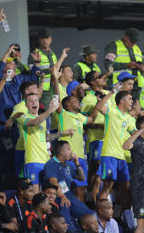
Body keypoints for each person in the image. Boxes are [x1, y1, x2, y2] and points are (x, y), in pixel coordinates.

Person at [0, 45, 42, 180]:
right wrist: (7, 52)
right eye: (10, 63)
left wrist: (36, 63)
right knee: (1, 156)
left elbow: (32, 76)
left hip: (15, 125)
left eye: (14, 64)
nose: (13, 66)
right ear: (4, 69)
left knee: (13, 154)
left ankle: (14, 183)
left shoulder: (18, 80)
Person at [53, 70, 99, 202]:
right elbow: (56, 100)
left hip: (80, 159)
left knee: (81, 189)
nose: (79, 102)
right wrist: (55, 80)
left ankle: (79, 218)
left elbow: (92, 118)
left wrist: (99, 102)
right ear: (67, 104)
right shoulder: (63, 114)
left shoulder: (79, 117)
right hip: (66, 159)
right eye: (75, 100)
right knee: (65, 188)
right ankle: (66, 213)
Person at [20, 93, 69, 193]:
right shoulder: (24, 117)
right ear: (26, 105)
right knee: (36, 194)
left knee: (53, 190)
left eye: (36, 100)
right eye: (30, 101)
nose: (34, 102)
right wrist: (50, 110)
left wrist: (61, 133)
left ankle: (64, 204)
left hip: (46, 161)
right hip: (33, 161)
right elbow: (33, 122)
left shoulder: (43, 120)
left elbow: (46, 137)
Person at [96, 89, 135, 210]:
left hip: (121, 156)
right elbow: (99, 106)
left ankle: (116, 214)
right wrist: (111, 92)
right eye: (129, 99)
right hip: (109, 154)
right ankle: (101, 212)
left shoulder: (128, 118)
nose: (132, 102)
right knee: (108, 184)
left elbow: (134, 133)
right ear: (121, 101)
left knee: (125, 185)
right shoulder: (111, 111)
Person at [43, 141, 94, 232]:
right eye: (69, 149)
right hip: (59, 199)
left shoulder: (67, 164)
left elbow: (81, 178)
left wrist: (77, 164)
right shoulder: (51, 164)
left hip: (70, 197)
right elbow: (53, 182)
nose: (71, 152)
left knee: (90, 215)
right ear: (61, 152)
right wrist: (62, 196)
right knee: (67, 226)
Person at [104, 28, 144, 110]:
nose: (134, 43)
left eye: (135, 41)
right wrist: (126, 65)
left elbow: (143, 66)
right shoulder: (114, 46)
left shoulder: (137, 48)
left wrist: (142, 68)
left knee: (133, 113)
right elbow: (108, 64)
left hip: (135, 88)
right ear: (126, 37)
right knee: (118, 111)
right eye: (132, 41)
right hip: (119, 86)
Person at [82, 71, 111, 201]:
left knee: (103, 172)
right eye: (99, 77)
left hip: (110, 139)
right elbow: (81, 122)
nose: (103, 77)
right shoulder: (88, 99)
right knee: (95, 168)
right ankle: (90, 197)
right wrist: (98, 126)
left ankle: (99, 200)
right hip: (95, 139)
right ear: (92, 82)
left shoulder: (109, 94)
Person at [28, 28, 58, 107]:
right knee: (45, 116)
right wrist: (49, 70)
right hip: (41, 90)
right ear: (39, 39)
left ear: (51, 39)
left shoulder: (53, 54)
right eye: (42, 38)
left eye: (47, 38)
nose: (45, 40)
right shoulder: (35, 54)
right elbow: (32, 73)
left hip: (53, 89)